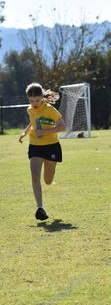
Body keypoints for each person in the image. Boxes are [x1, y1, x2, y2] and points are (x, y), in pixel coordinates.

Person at [19, 83, 65, 220]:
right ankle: (40, 208)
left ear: (42, 98)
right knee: (34, 174)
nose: (34, 104)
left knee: (48, 180)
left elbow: (62, 126)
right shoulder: (30, 109)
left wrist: (44, 131)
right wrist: (25, 133)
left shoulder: (50, 109)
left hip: (51, 146)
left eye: (37, 100)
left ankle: (51, 170)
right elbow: (33, 121)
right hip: (35, 146)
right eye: (31, 101)